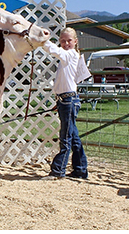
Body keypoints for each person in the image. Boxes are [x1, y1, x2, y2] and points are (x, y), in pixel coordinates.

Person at [42, 27, 88, 180]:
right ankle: (80, 169)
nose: (66, 43)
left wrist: (43, 39)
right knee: (73, 137)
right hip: (66, 100)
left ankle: (58, 170)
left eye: (69, 40)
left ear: (75, 42)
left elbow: (56, 51)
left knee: (66, 137)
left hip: (68, 101)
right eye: (63, 40)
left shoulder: (70, 55)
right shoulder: (67, 57)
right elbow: (63, 81)